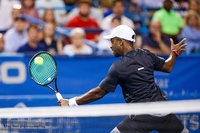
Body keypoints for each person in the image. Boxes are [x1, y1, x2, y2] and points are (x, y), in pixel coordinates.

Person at [58, 25, 187, 133]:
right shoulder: (146, 54)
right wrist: (174, 53)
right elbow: (168, 66)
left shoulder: (118, 67)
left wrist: (70, 102)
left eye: (112, 41)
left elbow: (98, 93)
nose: (111, 46)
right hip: (163, 111)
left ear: (121, 42)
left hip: (141, 117)